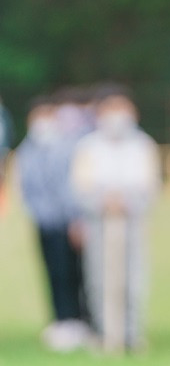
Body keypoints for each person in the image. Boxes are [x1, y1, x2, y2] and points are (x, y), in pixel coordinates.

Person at [70, 86, 160, 352]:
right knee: (100, 278)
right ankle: (105, 333)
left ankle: (131, 334)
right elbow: (80, 184)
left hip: (132, 220)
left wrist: (128, 202)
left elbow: (150, 184)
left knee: (132, 278)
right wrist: (102, 202)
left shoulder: (142, 145)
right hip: (99, 220)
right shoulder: (88, 146)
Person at [16, 96, 90, 351]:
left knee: (75, 272)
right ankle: (61, 320)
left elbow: (71, 187)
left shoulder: (68, 147)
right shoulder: (27, 150)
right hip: (44, 221)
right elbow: (27, 188)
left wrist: (74, 217)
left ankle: (81, 320)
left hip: (67, 220)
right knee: (53, 273)